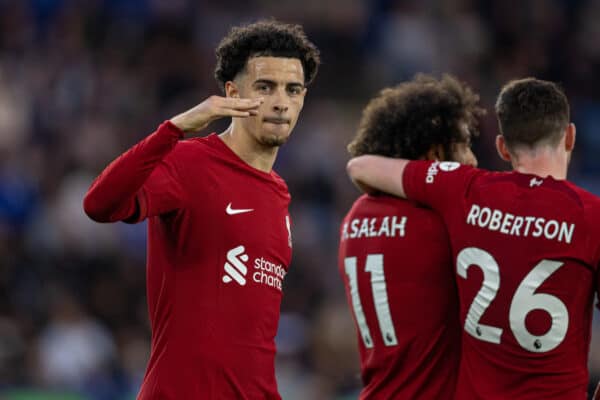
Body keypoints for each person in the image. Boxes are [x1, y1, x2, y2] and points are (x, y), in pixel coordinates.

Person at [83, 20, 320, 400]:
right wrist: (174, 128)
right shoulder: (190, 162)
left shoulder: (279, 193)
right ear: (232, 92)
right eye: (265, 87)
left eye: (293, 89)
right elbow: (99, 204)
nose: (280, 101)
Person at [347, 77, 600, 399]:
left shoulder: (466, 190)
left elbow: (361, 166)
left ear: (502, 146)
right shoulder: (592, 216)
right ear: (570, 137)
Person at [339, 74, 483, 399]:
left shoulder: (354, 216)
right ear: (434, 156)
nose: (473, 159)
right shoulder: (438, 222)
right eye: (464, 144)